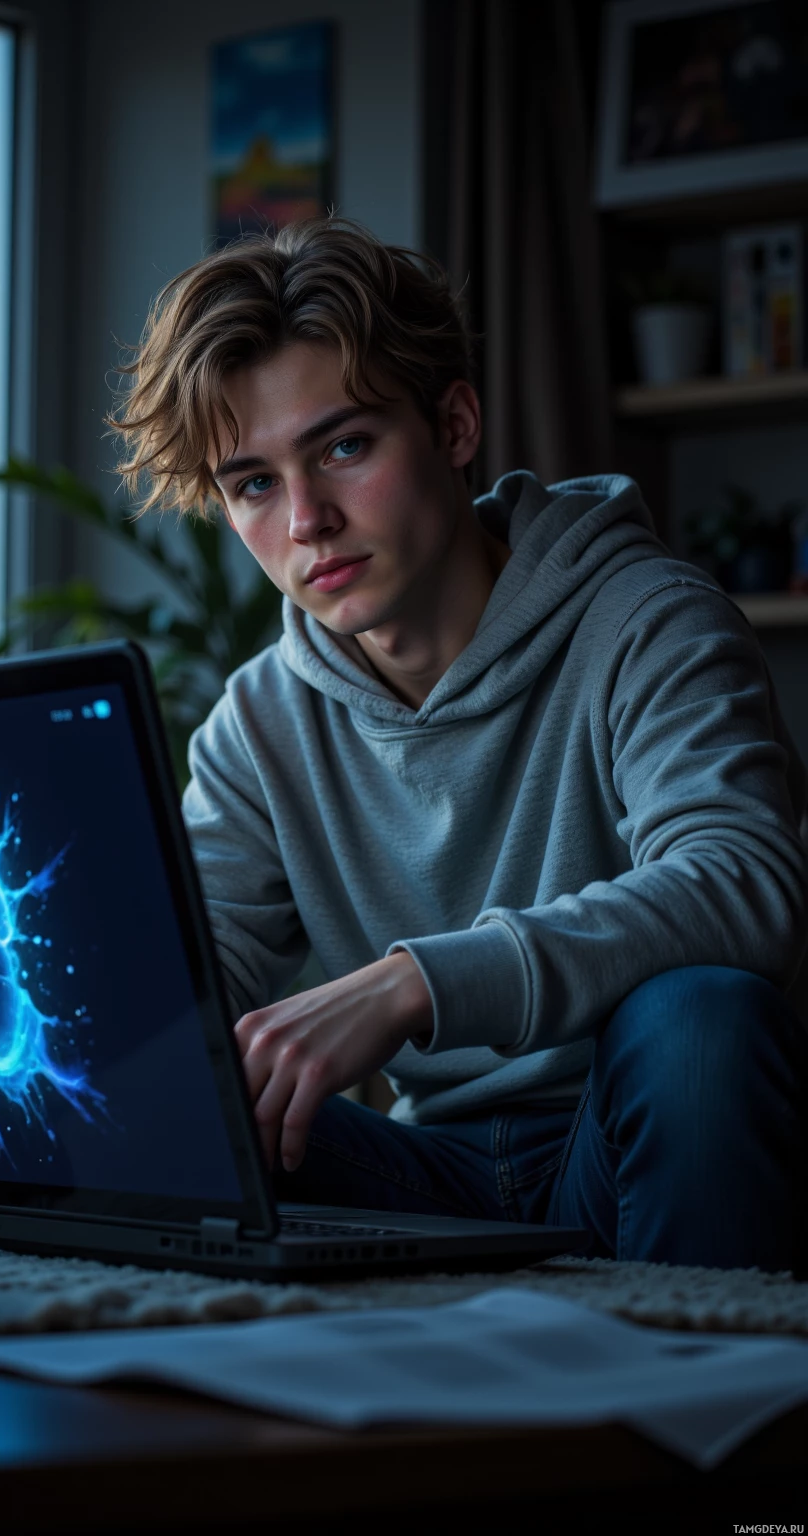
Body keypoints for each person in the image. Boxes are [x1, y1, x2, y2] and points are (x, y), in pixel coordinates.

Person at [110, 215, 808, 1272]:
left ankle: (695, 1394)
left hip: (629, 1138)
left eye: (343, 447)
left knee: (700, 1018)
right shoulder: (258, 723)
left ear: (455, 424)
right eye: (253, 482)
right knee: (176, 1100)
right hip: (423, 1174)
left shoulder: (648, 621)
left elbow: (743, 879)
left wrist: (412, 985)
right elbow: (193, 988)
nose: (305, 520)